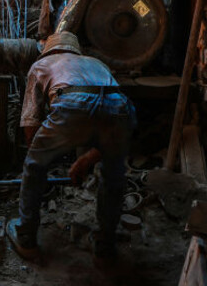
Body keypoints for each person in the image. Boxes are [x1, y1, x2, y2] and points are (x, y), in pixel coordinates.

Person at [7, 31, 137, 262]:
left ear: (49, 50)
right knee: (113, 172)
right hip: (120, 106)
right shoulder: (96, 63)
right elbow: (112, 123)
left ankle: (26, 236)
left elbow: (30, 123)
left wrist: (40, 154)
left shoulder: (41, 64)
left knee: (34, 166)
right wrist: (84, 160)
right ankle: (105, 243)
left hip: (72, 103)